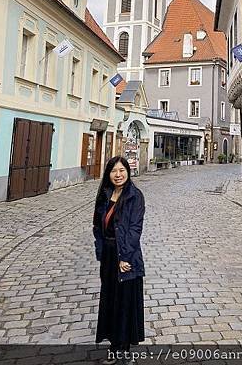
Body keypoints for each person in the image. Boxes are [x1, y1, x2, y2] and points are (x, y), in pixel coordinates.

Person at [93, 156, 145, 364]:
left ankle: (123, 349)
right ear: (109, 174)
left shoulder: (135, 196)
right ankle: (114, 346)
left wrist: (124, 257)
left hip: (127, 257)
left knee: (125, 304)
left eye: (122, 170)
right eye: (114, 171)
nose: (118, 174)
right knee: (110, 302)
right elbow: (97, 226)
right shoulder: (105, 195)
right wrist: (101, 252)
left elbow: (135, 229)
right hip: (108, 256)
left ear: (128, 172)